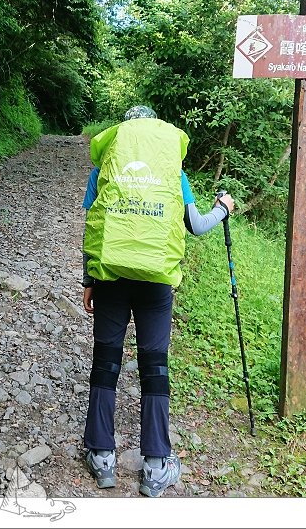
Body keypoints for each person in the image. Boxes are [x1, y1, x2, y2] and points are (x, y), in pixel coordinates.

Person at [80, 105, 235, 497]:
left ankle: (102, 457)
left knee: (106, 361)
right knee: (155, 368)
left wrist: (89, 281)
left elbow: (94, 227)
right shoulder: (171, 170)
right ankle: (154, 466)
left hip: (112, 277)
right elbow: (196, 227)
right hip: (156, 285)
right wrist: (223, 208)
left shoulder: (106, 168)